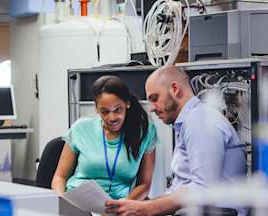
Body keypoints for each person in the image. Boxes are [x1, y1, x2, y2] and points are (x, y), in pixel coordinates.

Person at [105, 65, 247, 215]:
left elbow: (203, 188)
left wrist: (146, 209)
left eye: (155, 98)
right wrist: (145, 205)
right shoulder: (191, 121)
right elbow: (184, 187)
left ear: (174, 89)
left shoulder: (199, 121)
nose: (152, 108)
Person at [52, 75, 158, 201]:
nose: (112, 117)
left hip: (118, 207)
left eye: (118, 110)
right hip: (77, 203)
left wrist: (122, 207)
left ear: (127, 103)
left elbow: (144, 185)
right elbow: (60, 177)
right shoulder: (81, 128)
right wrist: (61, 200)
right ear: (96, 108)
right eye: (105, 112)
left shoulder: (145, 132)